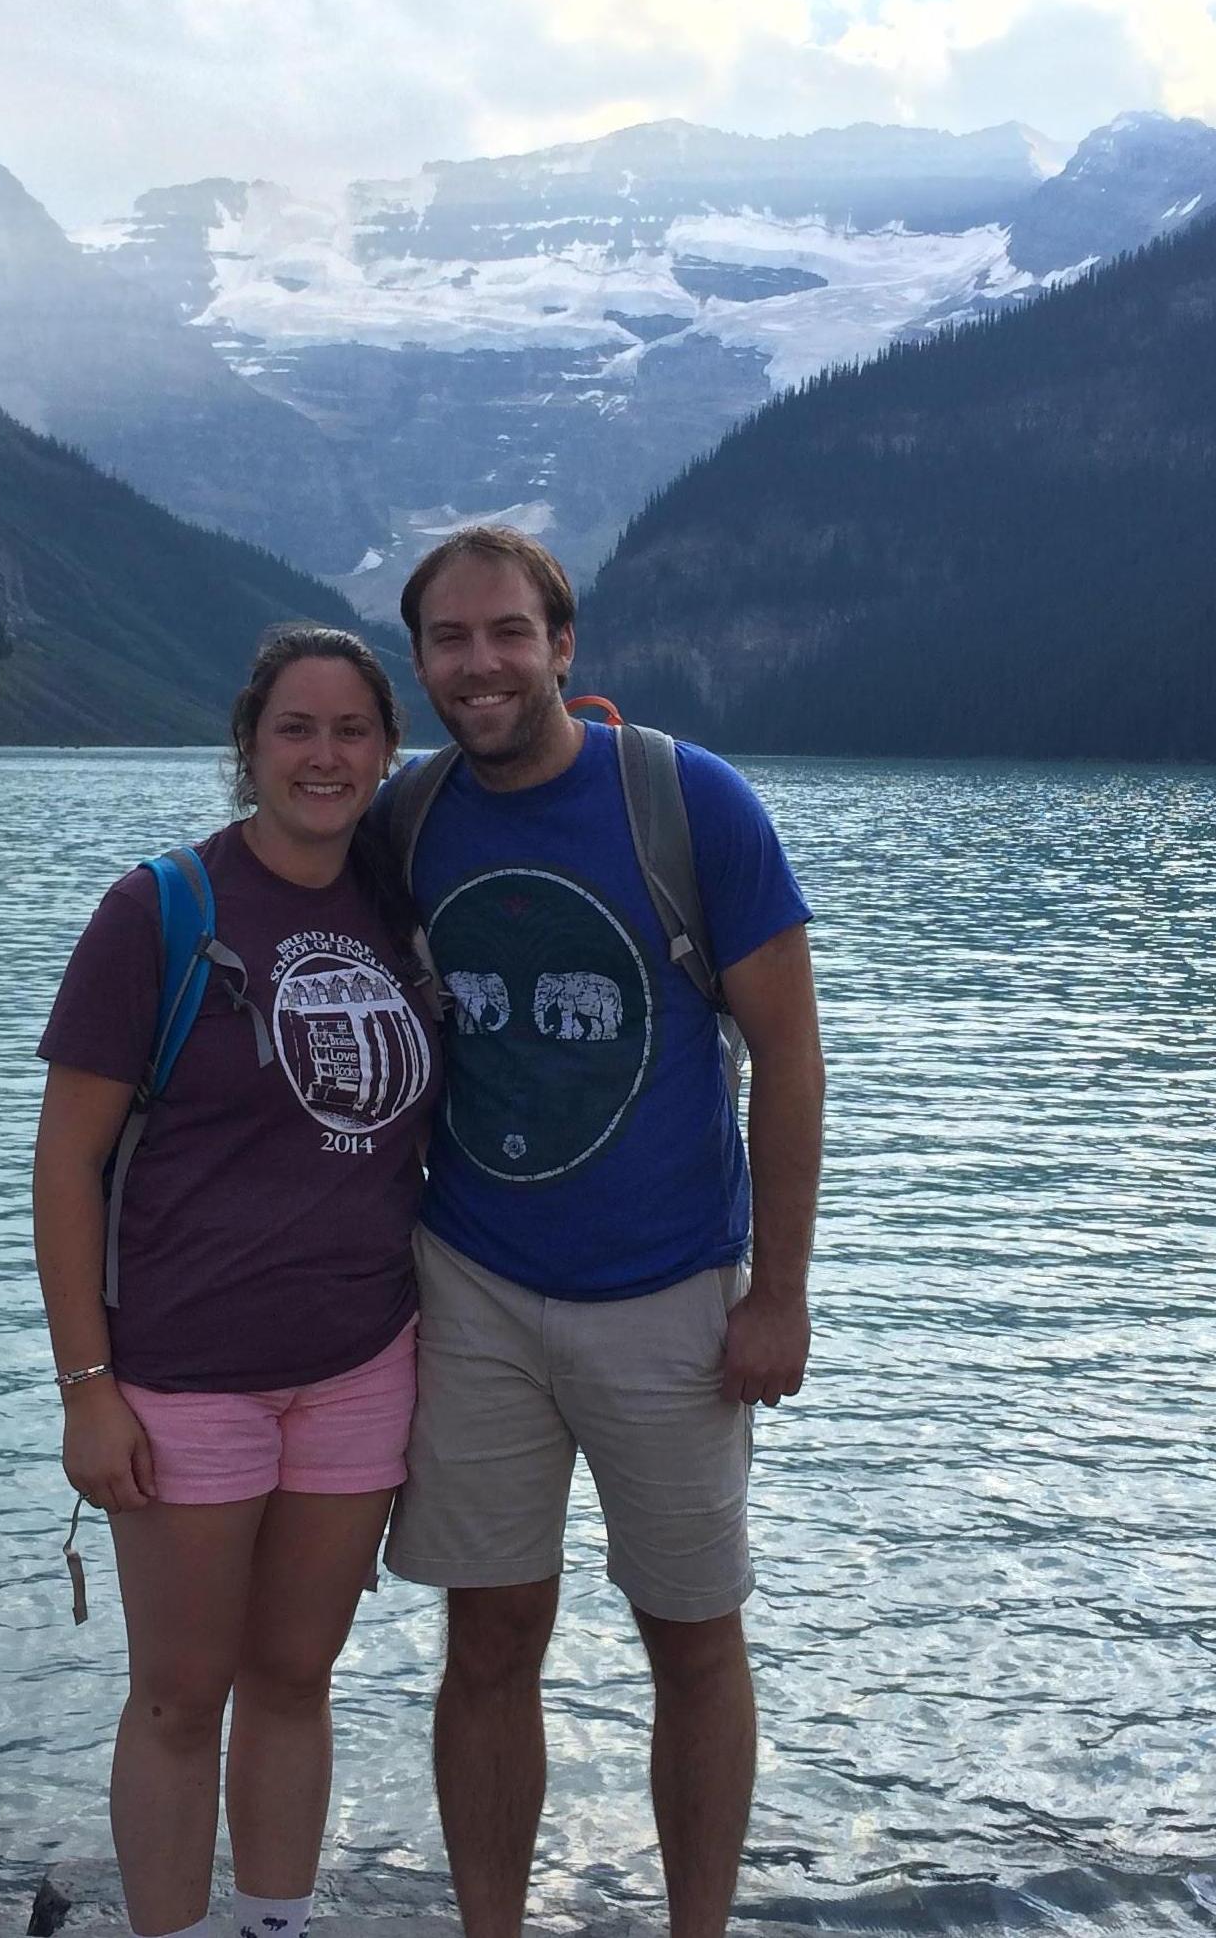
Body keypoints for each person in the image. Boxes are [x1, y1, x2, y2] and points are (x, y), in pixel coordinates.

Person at [376, 526, 826, 1938]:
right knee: (488, 1636)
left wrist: (779, 1295)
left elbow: (790, 1053)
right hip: (472, 1286)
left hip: (671, 1291)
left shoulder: (691, 804)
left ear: (563, 645)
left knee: (691, 1638)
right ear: (421, 661)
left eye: (508, 631)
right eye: (450, 639)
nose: (481, 663)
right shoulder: (407, 820)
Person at [32, 624, 441, 1938]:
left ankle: (273, 1925)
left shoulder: (401, 907)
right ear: (249, 748)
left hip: (362, 1363)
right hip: (182, 1378)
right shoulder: (157, 910)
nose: (324, 756)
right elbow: (66, 1163)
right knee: (176, 1695)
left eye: (351, 731)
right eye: (295, 729)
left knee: (295, 1677)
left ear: (386, 751)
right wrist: (86, 1387)